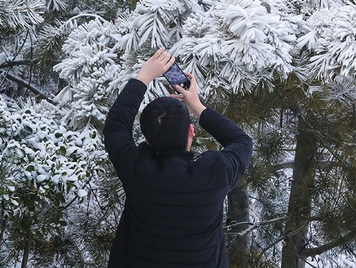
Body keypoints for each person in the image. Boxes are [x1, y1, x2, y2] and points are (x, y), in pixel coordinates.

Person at [103, 48, 253, 268]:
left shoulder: (136, 171)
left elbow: (115, 127)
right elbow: (242, 141)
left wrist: (144, 76)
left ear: (148, 141)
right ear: (191, 132)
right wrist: (198, 107)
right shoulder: (214, 175)